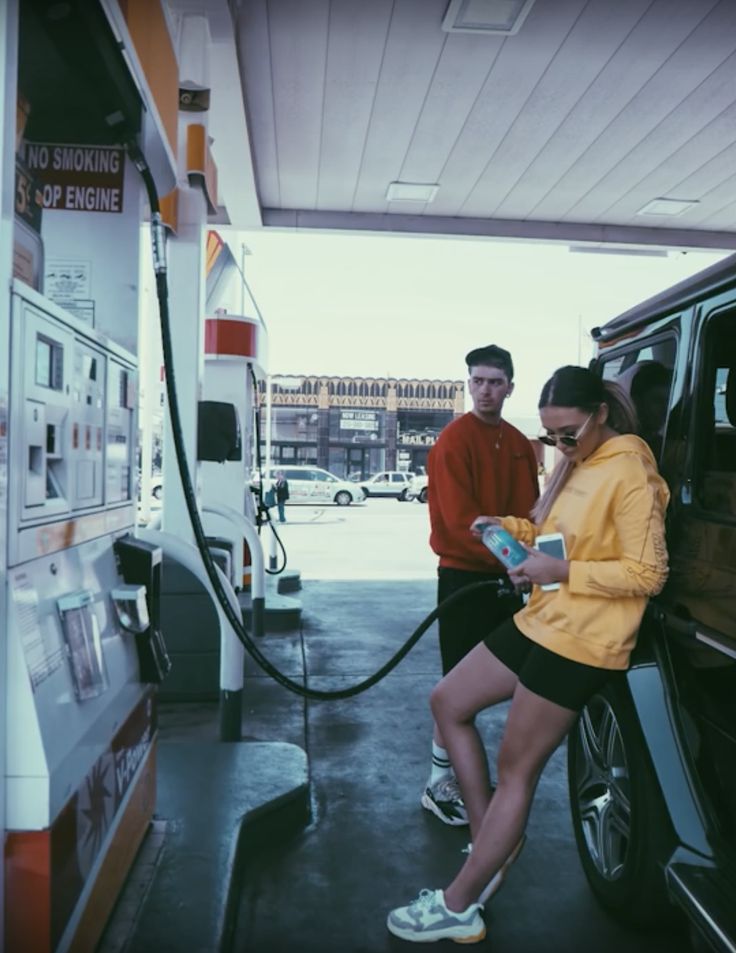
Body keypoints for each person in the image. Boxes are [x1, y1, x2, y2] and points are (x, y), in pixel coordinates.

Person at [387, 365, 669, 944]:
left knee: (517, 771)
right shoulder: (575, 464)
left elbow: (649, 573)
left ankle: (459, 904)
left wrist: (559, 570)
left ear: (601, 415)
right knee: (448, 701)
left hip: (584, 638)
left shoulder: (629, 471)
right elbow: (550, 532)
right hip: (544, 616)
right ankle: (494, 838)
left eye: (569, 433)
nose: (561, 445)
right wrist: (506, 526)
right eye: (550, 437)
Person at [421, 345, 539, 827]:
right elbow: (459, 524)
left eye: (495, 381)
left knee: (510, 677)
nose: (485, 390)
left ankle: (462, 774)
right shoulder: (453, 440)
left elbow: (531, 514)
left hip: (509, 578)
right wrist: (521, 561)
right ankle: (437, 782)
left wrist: (529, 562)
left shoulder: (517, 442)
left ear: (511, 385)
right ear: (468, 384)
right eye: (477, 381)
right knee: (457, 685)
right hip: (465, 577)